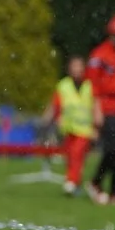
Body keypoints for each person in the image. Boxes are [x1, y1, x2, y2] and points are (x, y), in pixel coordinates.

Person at [43, 56, 95, 197]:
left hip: (85, 129)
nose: (77, 70)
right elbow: (56, 105)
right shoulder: (63, 85)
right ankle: (75, 184)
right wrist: (48, 119)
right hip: (68, 128)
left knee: (77, 154)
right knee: (70, 157)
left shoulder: (90, 85)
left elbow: (96, 106)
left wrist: (97, 125)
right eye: (74, 66)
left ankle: (71, 181)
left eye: (79, 67)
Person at [86, 16, 115, 203]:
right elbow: (93, 87)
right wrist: (96, 110)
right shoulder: (99, 56)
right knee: (112, 149)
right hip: (106, 107)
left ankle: (114, 192)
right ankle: (96, 181)